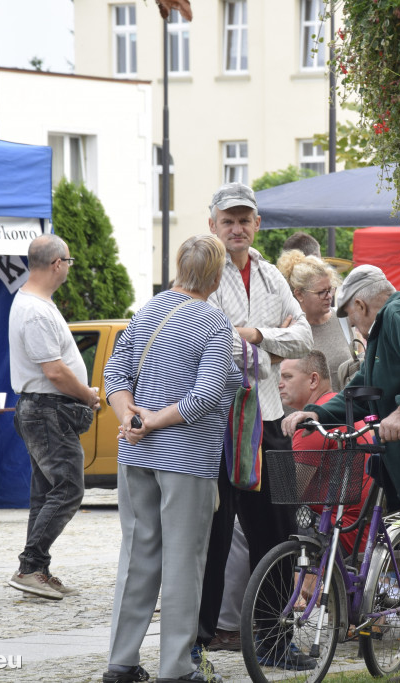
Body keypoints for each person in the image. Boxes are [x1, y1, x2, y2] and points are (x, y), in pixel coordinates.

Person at [283, 265, 400, 683]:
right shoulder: (384, 333)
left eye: (351, 316)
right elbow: (363, 392)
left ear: (361, 303)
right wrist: (313, 413)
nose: (353, 323)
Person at [102, 235, 242, 683]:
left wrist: (131, 418)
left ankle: (120, 662)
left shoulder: (146, 313)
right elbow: (204, 397)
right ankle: (177, 668)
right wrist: (156, 421)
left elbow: (113, 372)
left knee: (137, 555)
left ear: (179, 268)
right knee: (184, 560)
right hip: (186, 458)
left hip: (135, 452)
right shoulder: (216, 324)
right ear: (217, 276)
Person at [197, 182, 314, 669]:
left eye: (245, 219)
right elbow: (203, 334)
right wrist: (262, 338)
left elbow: (303, 336)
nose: (237, 228)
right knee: (213, 536)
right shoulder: (202, 268)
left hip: (272, 420)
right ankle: (195, 646)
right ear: (213, 226)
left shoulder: (269, 275)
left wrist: (257, 333)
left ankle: (275, 641)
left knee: (283, 531)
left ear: (257, 224)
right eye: (229, 220)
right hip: (217, 423)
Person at [7, 234, 99, 600]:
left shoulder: (36, 303)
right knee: (69, 489)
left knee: (45, 493)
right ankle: (29, 567)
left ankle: (37, 570)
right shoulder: (35, 310)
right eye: (70, 261)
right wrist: (87, 394)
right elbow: (55, 372)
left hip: (44, 410)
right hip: (47, 409)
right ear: (58, 263)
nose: (69, 268)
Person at [278, 350, 372, 555]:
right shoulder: (342, 408)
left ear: (313, 380)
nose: (279, 384)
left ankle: (300, 588)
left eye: (287, 376)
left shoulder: (311, 426)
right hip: (361, 530)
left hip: (337, 533)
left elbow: (291, 492)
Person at [277, 249, 353, 389]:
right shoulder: (284, 328)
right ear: (299, 294)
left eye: (330, 289)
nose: (329, 296)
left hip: (339, 410)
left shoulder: (342, 319)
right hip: (294, 411)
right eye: (321, 292)